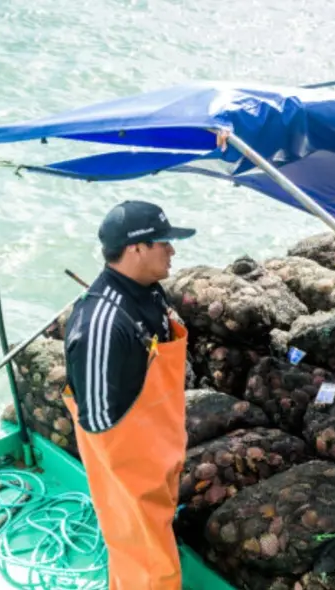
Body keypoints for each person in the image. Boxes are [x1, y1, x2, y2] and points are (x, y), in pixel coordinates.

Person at [62, 200, 196, 589]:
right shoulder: (101, 325)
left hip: (161, 453)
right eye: (164, 242)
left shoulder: (151, 293)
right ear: (136, 248)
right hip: (130, 470)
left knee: (156, 550)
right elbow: (99, 422)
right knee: (149, 568)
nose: (172, 250)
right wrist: (138, 476)